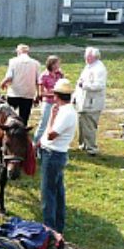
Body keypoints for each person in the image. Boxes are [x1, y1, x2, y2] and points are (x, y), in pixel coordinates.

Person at [38, 78, 77, 233]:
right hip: (56, 154)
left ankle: (50, 228)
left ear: (57, 96)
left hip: (53, 155)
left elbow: (51, 135)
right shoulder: (67, 110)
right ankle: (58, 225)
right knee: (57, 191)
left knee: (48, 193)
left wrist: (52, 117)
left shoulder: (65, 113)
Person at [74, 46, 107, 156]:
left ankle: (92, 148)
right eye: (86, 55)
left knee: (89, 125)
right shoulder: (88, 67)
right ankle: (83, 144)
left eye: (88, 56)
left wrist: (85, 85)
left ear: (95, 57)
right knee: (81, 123)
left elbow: (100, 85)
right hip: (82, 101)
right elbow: (79, 82)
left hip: (92, 102)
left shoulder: (99, 69)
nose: (86, 58)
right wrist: (75, 96)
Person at [0, 44, 40, 125]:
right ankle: (22, 131)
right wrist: (38, 94)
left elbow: (9, 77)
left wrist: (3, 83)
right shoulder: (35, 63)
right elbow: (38, 80)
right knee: (24, 116)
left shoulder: (13, 61)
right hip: (29, 93)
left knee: (10, 114)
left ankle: (9, 129)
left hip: (14, 92)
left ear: (18, 52)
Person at [33, 55, 65, 148]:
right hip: (48, 102)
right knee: (44, 123)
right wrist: (54, 94)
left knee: (57, 124)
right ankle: (35, 144)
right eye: (56, 64)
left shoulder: (60, 75)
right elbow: (41, 93)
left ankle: (51, 143)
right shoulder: (44, 75)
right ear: (51, 64)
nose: (58, 66)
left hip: (58, 103)